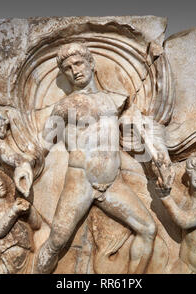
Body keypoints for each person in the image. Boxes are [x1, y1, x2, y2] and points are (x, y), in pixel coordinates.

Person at [33, 43, 160, 274]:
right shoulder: (64, 106)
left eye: (79, 63)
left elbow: (135, 132)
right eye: (68, 68)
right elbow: (44, 145)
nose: (75, 70)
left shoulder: (115, 100)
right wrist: (24, 166)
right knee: (56, 242)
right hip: (80, 182)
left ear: (91, 64)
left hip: (113, 182)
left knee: (148, 228)